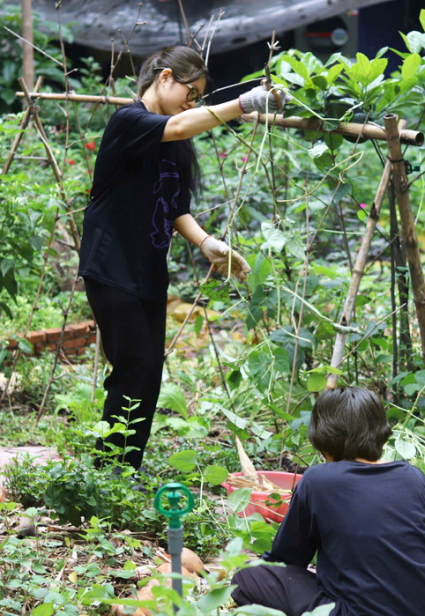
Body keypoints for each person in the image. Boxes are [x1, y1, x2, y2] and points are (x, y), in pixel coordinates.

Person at [78, 46, 287, 472]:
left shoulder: (177, 140)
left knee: (149, 373)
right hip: (111, 263)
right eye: (191, 94)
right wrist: (244, 103)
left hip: (149, 269)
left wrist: (208, 242)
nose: (192, 104)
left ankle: (123, 470)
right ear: (165, 77)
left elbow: (176, 208)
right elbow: (174, 126)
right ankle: (108, 472)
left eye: (197, 98)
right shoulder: (130, 121)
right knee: (133, 366)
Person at [231, 387, 425, 616]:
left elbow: (285, 562)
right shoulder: (413, 477)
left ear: (323, 439)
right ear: (380, 431)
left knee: (247, 578)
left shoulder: (318, 480)